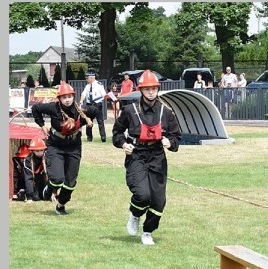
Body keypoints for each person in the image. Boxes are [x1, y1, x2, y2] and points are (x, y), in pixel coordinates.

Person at [113, 70, 181, 246]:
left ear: (158, 89)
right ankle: (135, 214)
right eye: (147, 89)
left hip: (157, 156)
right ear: (141, 90)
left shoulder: (167, 112)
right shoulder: (130, 110)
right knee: (143, 195)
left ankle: (148, 232)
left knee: (158, 200)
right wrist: (123, 144)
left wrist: (170, 142)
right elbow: (117, 132)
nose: (151, 92)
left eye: (154, 88)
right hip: (136, 155)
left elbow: (176, 136)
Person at [31, 81, 97, 215]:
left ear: (74, 96)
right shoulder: (53, 108)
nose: (67, 100)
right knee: (57, 179)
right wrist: (42, 126)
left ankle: (61, 205)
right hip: (56, 146)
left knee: (70, 182)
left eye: (69, 97)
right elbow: (36, 109)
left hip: (74, 147)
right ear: (59, 98)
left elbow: (95, 111)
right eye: (64, 97)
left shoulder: (81, 110)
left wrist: (82, 123)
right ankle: (49, 189)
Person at [19, 137, 50, 202]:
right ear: (32, 150)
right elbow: (28, 179)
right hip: (31, 180)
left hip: (42, 178)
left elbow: (52, 174)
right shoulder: (28, 160)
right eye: (37, 151)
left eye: (42, 150)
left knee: (45, 197)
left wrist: (53, 192)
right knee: (35, 198)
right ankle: (23, 192)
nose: (40, 152)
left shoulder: (48, 157)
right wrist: (30, 197)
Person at [79, 72, 107, 143]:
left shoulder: (99, 85)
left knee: (100, 121)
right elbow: (83, 94)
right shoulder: (87, 86)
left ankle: (103, 137)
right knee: (88, 120)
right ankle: (89, 137)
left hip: (97, 104)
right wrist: (81, 102)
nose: (86, 79)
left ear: (92, 78)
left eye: (87, 78)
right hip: (89, 105)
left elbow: (104, 95)